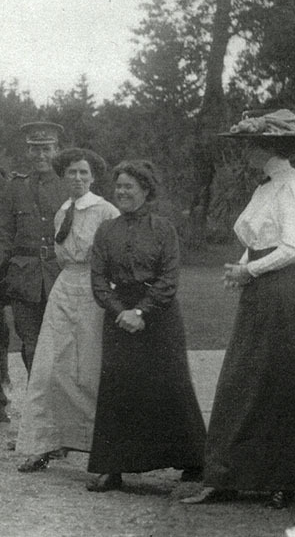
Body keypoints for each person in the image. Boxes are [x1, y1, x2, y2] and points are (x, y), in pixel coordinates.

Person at [182, 109, 295, 507]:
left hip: (284, 292)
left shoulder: (293, 186)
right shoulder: (266, 188)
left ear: (269, 146)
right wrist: (242, 267)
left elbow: (294, 248)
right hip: (261, 289)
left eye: (248, 145)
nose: (243, 152)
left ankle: (286, 479)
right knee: (243, 378)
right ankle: (227, 476)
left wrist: (250, 270)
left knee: (282, 382)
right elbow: (261, 238)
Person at [84, 160, 206, 492]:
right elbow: (98, 282)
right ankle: (113, 468)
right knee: (118, 389)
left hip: (159, 316)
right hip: (118, 315)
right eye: (119, 186)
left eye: (129, 187)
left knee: (171, 384)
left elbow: (169, 280)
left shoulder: (164, 229)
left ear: (145, 190)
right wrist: (121, 311)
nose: (122, 192)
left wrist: (141, 312)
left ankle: (193, 460)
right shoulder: (106, 230)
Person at [14, 148, 118, 473]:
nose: (77, 178)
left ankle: (100, 452)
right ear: (64, 176)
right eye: (71, 172)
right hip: (63, 289)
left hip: (94, 290)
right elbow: (62, 257)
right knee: (49, 366)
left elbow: (114, 258)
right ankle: (43, 444)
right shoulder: (62, 212)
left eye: (83, 173)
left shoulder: (106, 212)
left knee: (88, 368)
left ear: (93, 177)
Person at [0, 121, 65, 375]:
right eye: (35, 149)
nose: (41, 155)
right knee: (31, 347)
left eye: (47, 148)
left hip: (62, 279)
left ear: (57, 149)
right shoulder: (15, 187)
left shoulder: (69, 186)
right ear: (28, 151)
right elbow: (1, 235)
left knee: (63, 346)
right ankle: (37, 410)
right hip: (25, 280)